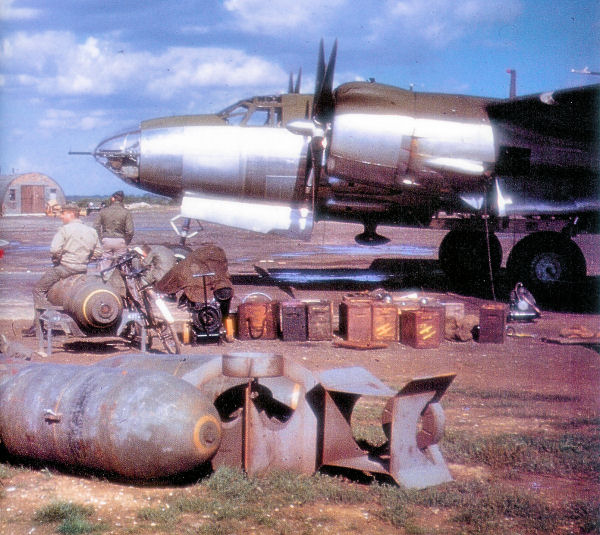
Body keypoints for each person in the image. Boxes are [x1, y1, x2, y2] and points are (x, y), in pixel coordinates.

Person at [23, 204, 102, 336]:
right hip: (82, 270)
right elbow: (98, 252)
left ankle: (39, 326)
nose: (61, 216)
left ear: (71, 214)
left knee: (38, 289)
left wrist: (58, 260)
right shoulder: (91, 231)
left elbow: (54, 250)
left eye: (63, 213)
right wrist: (85, 260)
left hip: (64, 269)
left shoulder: (64, 230)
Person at [94, 190, 134, 270]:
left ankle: (105, 279)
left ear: (112, 199)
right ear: (122, 199)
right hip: (120, 240)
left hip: (106, 240)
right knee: (123, 266)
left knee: (105, 265)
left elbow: (96, 226)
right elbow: (130, 231)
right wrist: (126, 242)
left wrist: (100, 239)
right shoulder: (126, 212)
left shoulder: (103, 211)